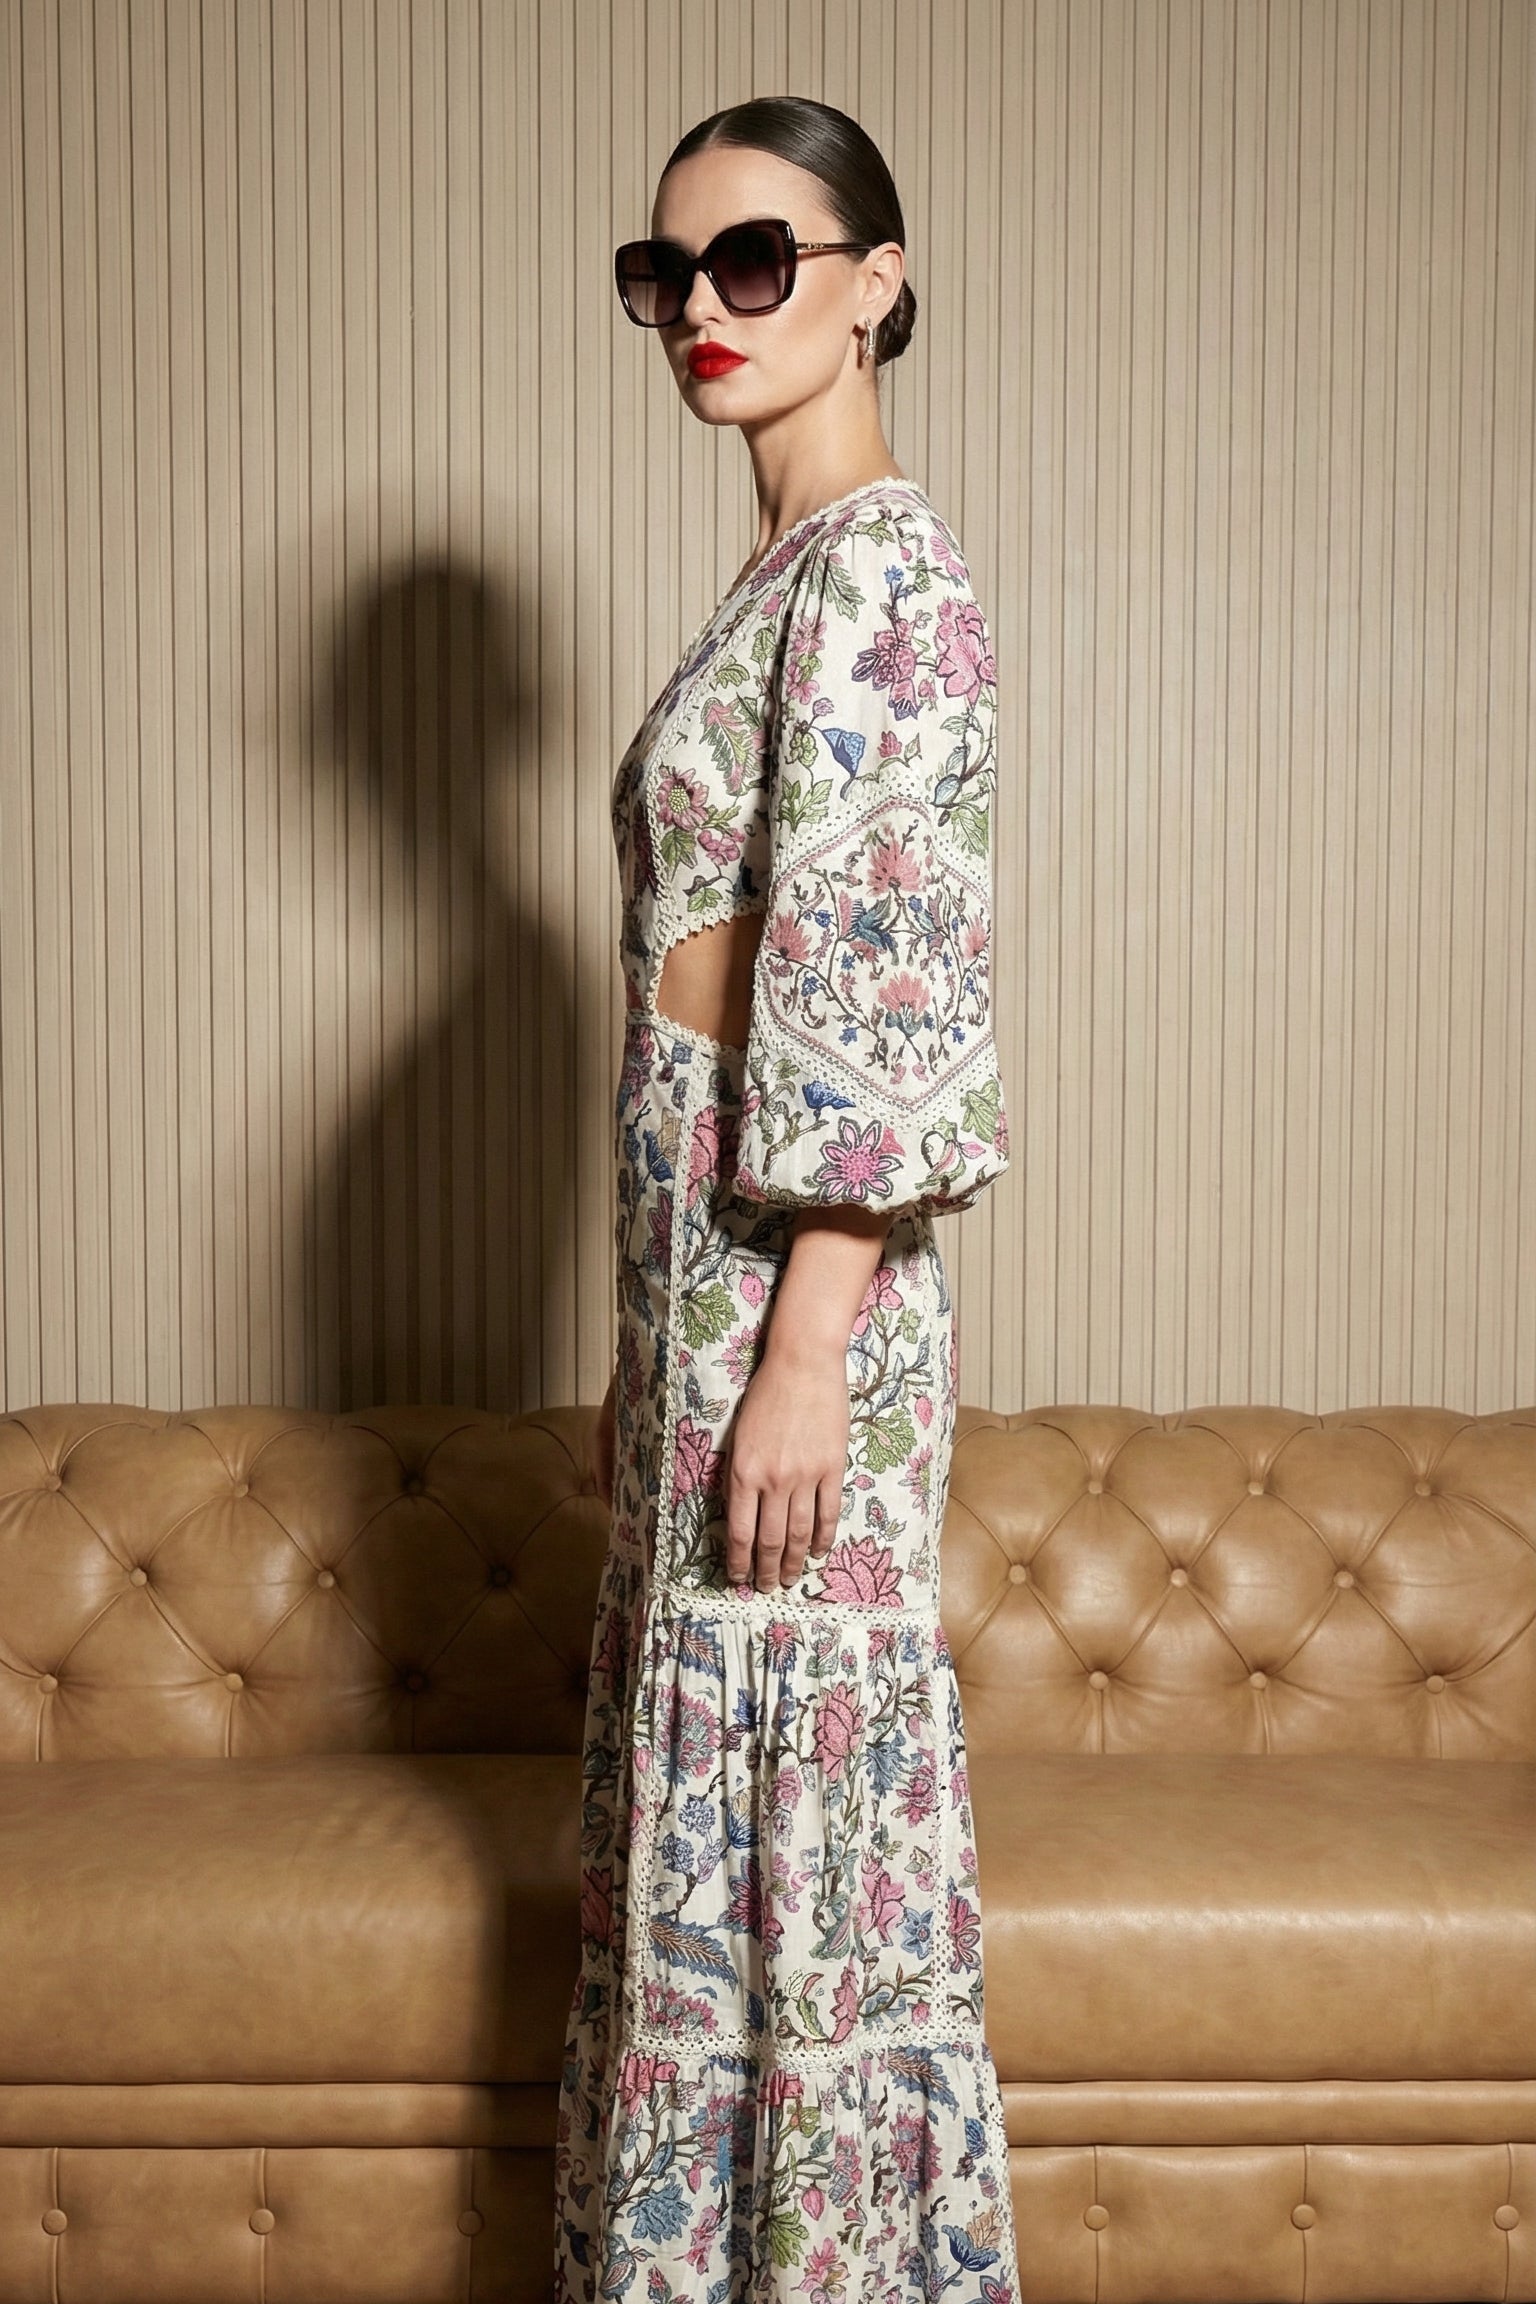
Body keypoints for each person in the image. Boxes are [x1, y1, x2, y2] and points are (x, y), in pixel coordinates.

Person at [554, 94, 1017, 2304]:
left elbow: (892, 969)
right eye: (669, 276)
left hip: (792, 1311)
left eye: (756, 262)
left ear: (875, 283)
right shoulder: (782, 571)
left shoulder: (888, 573)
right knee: (713, 1868)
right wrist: (676, 1353)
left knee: (804, 1866)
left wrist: (808, 1348)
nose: (703, 312)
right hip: (705, 1307)